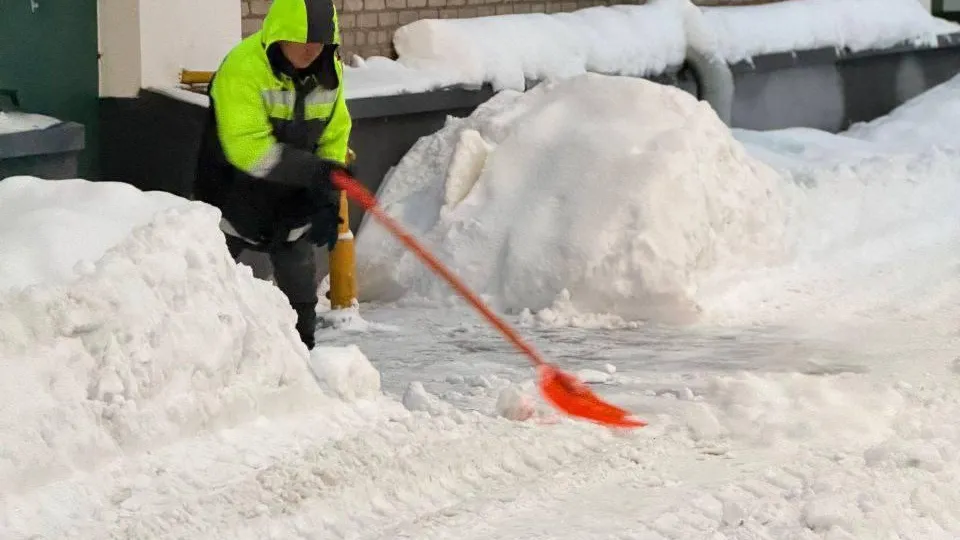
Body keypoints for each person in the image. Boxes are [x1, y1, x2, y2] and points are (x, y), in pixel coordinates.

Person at [194, 0, 352, 350]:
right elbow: (247, 149)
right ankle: (198, 354)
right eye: (301, 39)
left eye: (321, 41)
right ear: (279, 35)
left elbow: (334, 132)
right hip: (230, 194)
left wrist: (325, 191)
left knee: (299, 283)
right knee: (204, 279)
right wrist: (315, 171)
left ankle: (302, 355)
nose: (312, 48)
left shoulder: (329, 73)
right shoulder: (243, 67)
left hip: (290, 199)